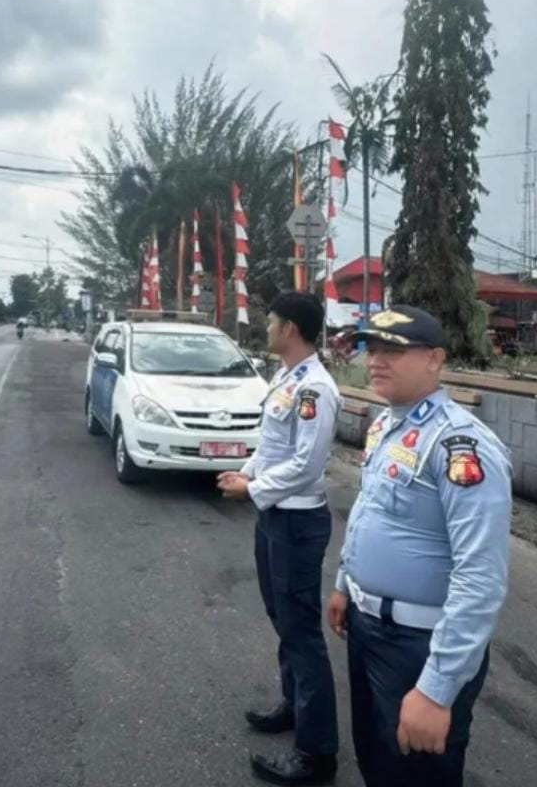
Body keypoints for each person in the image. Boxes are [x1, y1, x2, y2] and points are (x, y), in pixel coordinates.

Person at [327, 306, 512, 787]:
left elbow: (480, 577)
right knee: (376, 760)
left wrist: (436, 689)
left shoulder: (461, 445)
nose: (375, 361)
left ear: (435, 359)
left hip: (420, 645)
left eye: (393, 350)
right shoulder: (388, 423)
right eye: (372, 349)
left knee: (417, 775)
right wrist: (345, 584)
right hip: (368, 629)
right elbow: (371, 511)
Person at [217, 291, 341, 786]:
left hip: (296, 523)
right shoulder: (286, 377)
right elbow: (273, 447)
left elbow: (307, 464)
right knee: (282, 618)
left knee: (302, 632)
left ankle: (317, 753)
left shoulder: (316, 389)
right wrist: (245, 471)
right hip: (275, 517)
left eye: (271, 321)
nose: (266, 327)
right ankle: (295, 706)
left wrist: (253, 488)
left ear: (290, 328)